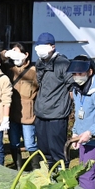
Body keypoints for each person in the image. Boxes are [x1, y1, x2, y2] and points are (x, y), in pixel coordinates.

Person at [68, 56, 95, 189]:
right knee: (82, 172)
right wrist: (75, 132)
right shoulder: (77, 89)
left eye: (80, 74)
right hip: (82, 138)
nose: (77, 77)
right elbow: (79, 114)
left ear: (90, 72)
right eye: (74, 74)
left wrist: (90, 132)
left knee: (87, 176)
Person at [33, 32, 74, 168]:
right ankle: (48, 177)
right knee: (44, 151)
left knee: (57, 151)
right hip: (41, 114)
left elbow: (72, 88)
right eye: (38, 46)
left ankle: (63, 178)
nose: (40, 49)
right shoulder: (39, 63)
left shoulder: (63, 63)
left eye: (44, 46)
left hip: (57, 115)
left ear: (52, 47)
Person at [2, 43, 40, 171]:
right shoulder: (9, 69)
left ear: (26, 54)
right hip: (12, 113)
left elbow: (39, 92)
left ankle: (36, 168)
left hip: (28, 114)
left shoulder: (34, 71)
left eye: (17, 52)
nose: (15, 56)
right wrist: (6, 54)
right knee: (14, 143)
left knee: (30, 143)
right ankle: (19, 168)